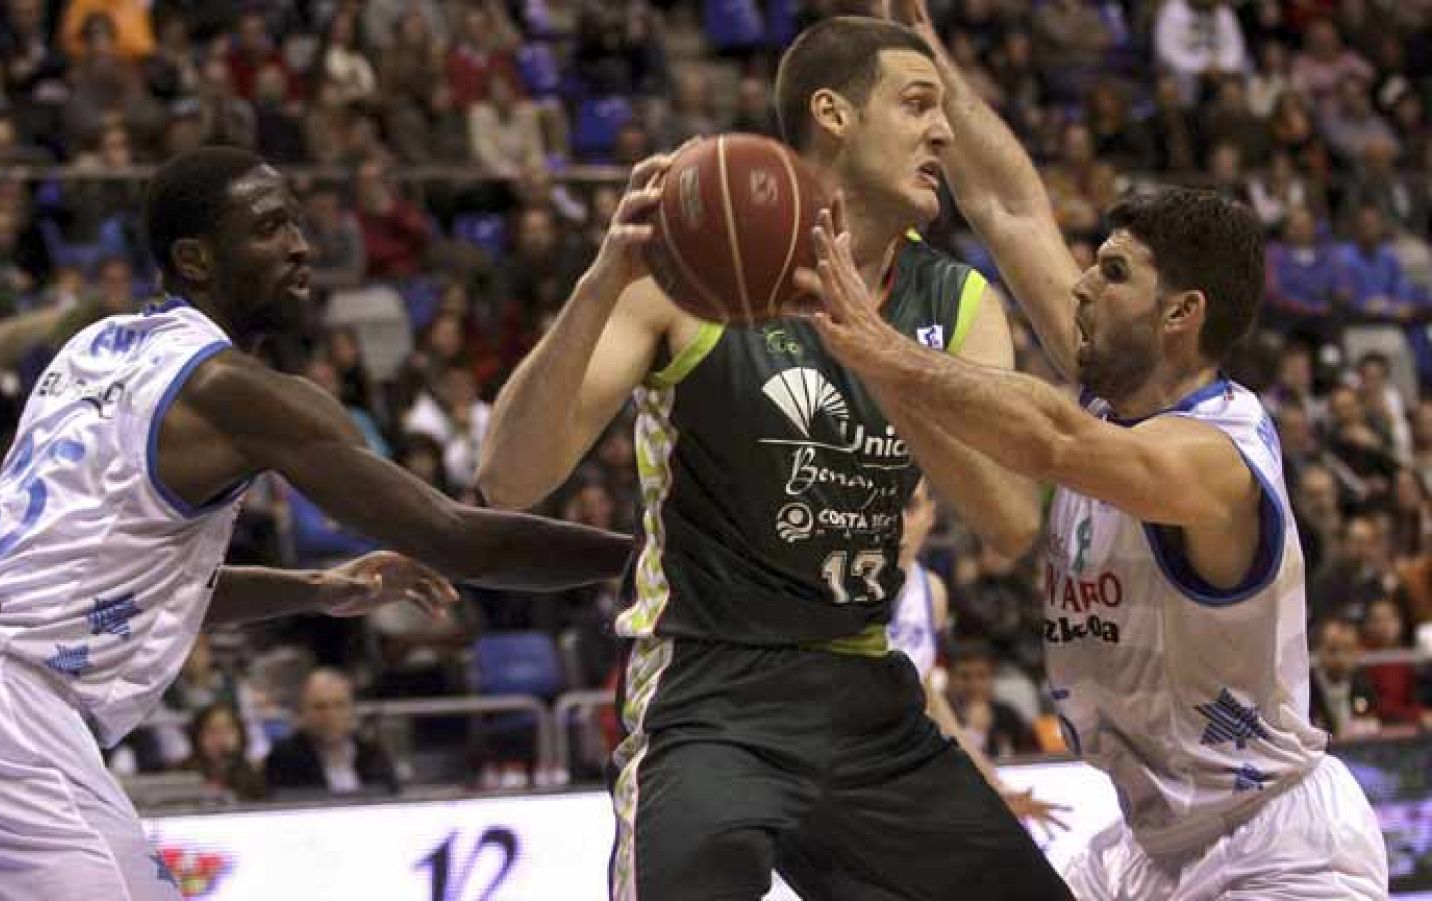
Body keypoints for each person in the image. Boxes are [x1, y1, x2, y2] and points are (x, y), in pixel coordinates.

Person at [0, 146, 633, 901]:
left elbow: (126, 581)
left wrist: (317, 588)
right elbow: (458, 537)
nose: (301, 243)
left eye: (297, 221)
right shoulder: (232, 391)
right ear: (196, 258)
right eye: (269, 227)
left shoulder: (91, 350)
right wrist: (650, 555)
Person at [792, 3, 1388, 897]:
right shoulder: (1114, 398)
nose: (1078, 282)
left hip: (1278, 844)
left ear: (1180, 314)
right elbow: (1005, 204)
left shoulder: (1216, 457)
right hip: (1151, 842)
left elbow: (1053, 440)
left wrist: (883, 348)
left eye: (1112, 274)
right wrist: (933, 63)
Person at [480, 16, 1066, 901]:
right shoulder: (688, 271)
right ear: (833, 114)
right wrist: (601, 280)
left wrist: (882, 355)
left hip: (862, 687)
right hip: (710, 689)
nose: (944, 131)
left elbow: (1013, 521)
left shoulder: (959, 297)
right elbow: (507, 477)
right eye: (918, 105)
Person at [888, 477, 1065, 821]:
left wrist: (995, 786)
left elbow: (928, 701)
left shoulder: (932, 592)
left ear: (930, 515)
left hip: (897, 777)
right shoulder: (835, 589)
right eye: (888, 506)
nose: (899, 522)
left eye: (910, 507)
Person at [263, 668, 398, 797]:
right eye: (320, 707)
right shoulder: (283, 759)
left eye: (339, 705)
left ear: (352, 711)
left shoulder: (373, 754)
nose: (330, 715)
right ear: (302, 713)